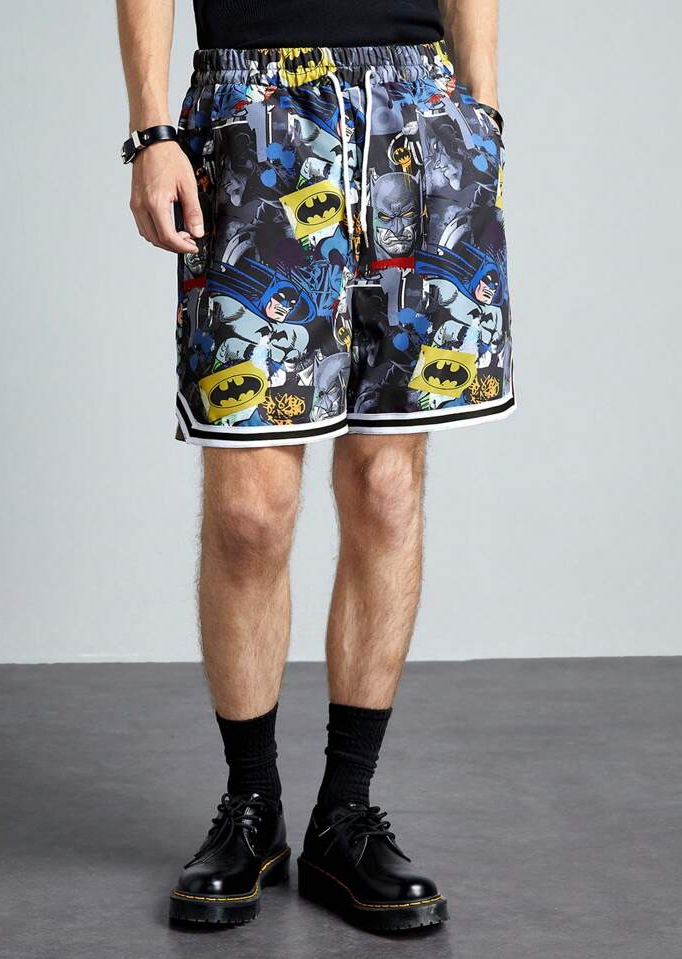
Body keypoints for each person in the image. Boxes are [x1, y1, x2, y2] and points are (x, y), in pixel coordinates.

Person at [117, 0, 513, 932]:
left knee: (385, 487)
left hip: (415, 110)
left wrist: (482, 109)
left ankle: (346, 814)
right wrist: (150, 131)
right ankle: (251, 807)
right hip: (254, 104)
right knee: (250, 509)